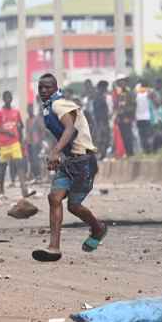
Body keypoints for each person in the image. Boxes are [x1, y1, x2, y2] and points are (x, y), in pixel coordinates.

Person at [31, 73, 107, 262]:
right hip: (69, 161)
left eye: (47, 87)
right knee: (54, 197)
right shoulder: (49, 108)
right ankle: (54, 248)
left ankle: (98, 228)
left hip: (83, 162)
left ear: (55, 88)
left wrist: (55, 152)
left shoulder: (59, 104)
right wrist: (57, 154)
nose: (43, 91)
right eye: (40, 87)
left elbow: (70, 129)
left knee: (74, 206)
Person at [0, 91, 30, 197]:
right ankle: (1, 189)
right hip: (3, 144)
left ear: (12, 98)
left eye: (10, 97)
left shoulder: (16, 111)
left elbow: (20, 126)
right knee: (3, 167)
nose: (8, 99)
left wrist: (21, 141)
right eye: (6, 97)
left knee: (19, 164)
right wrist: (6, 132)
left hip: (14, 143)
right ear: (3, 99)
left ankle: (24, 188)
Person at [92, 81, 112, 160]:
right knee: (102, 139)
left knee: (105, 138)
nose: (106, 89)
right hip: (101, 121)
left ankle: (102, 154)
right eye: (104, 87)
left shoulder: (102, 96)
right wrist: (100, 121)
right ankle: (101, 154)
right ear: (101, 88)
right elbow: (97, 112)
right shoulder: (98, 97)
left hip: (104, 121)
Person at [24, 103, 45, 182]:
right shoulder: (27, 120)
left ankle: (39, 176)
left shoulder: (37, 119)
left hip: (36, 143)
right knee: (31, 160)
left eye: (31, 109)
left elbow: (42, 130)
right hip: (29, 143)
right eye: (28, 109)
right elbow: (27, 131)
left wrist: (41, 140)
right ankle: (35, 177)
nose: (30, 110)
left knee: (36, 160)